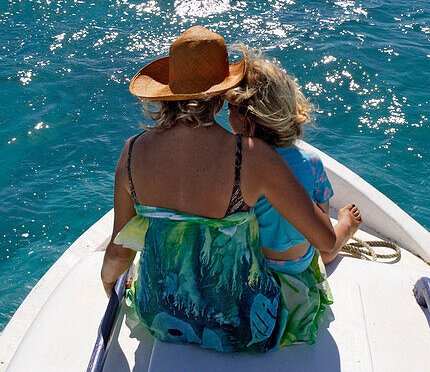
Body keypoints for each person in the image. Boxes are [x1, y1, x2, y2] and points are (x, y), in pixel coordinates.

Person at [99, 26, 351, 354]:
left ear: (166, 95)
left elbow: (119, 251)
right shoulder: (249, 155)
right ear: (221, 97)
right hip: (241, 328)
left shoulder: (131, 152)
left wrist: (109, 286)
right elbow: (326, 241)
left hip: (158, 316)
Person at [223, 46, 361, 345]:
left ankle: (343, 231)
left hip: (254, 269)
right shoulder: (311, 163)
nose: (226, 116)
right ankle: (345, 227)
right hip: (297, 266)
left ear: (245, 121)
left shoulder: (239, 164)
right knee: (322, 247)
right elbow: (319, 217)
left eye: (229, 109)